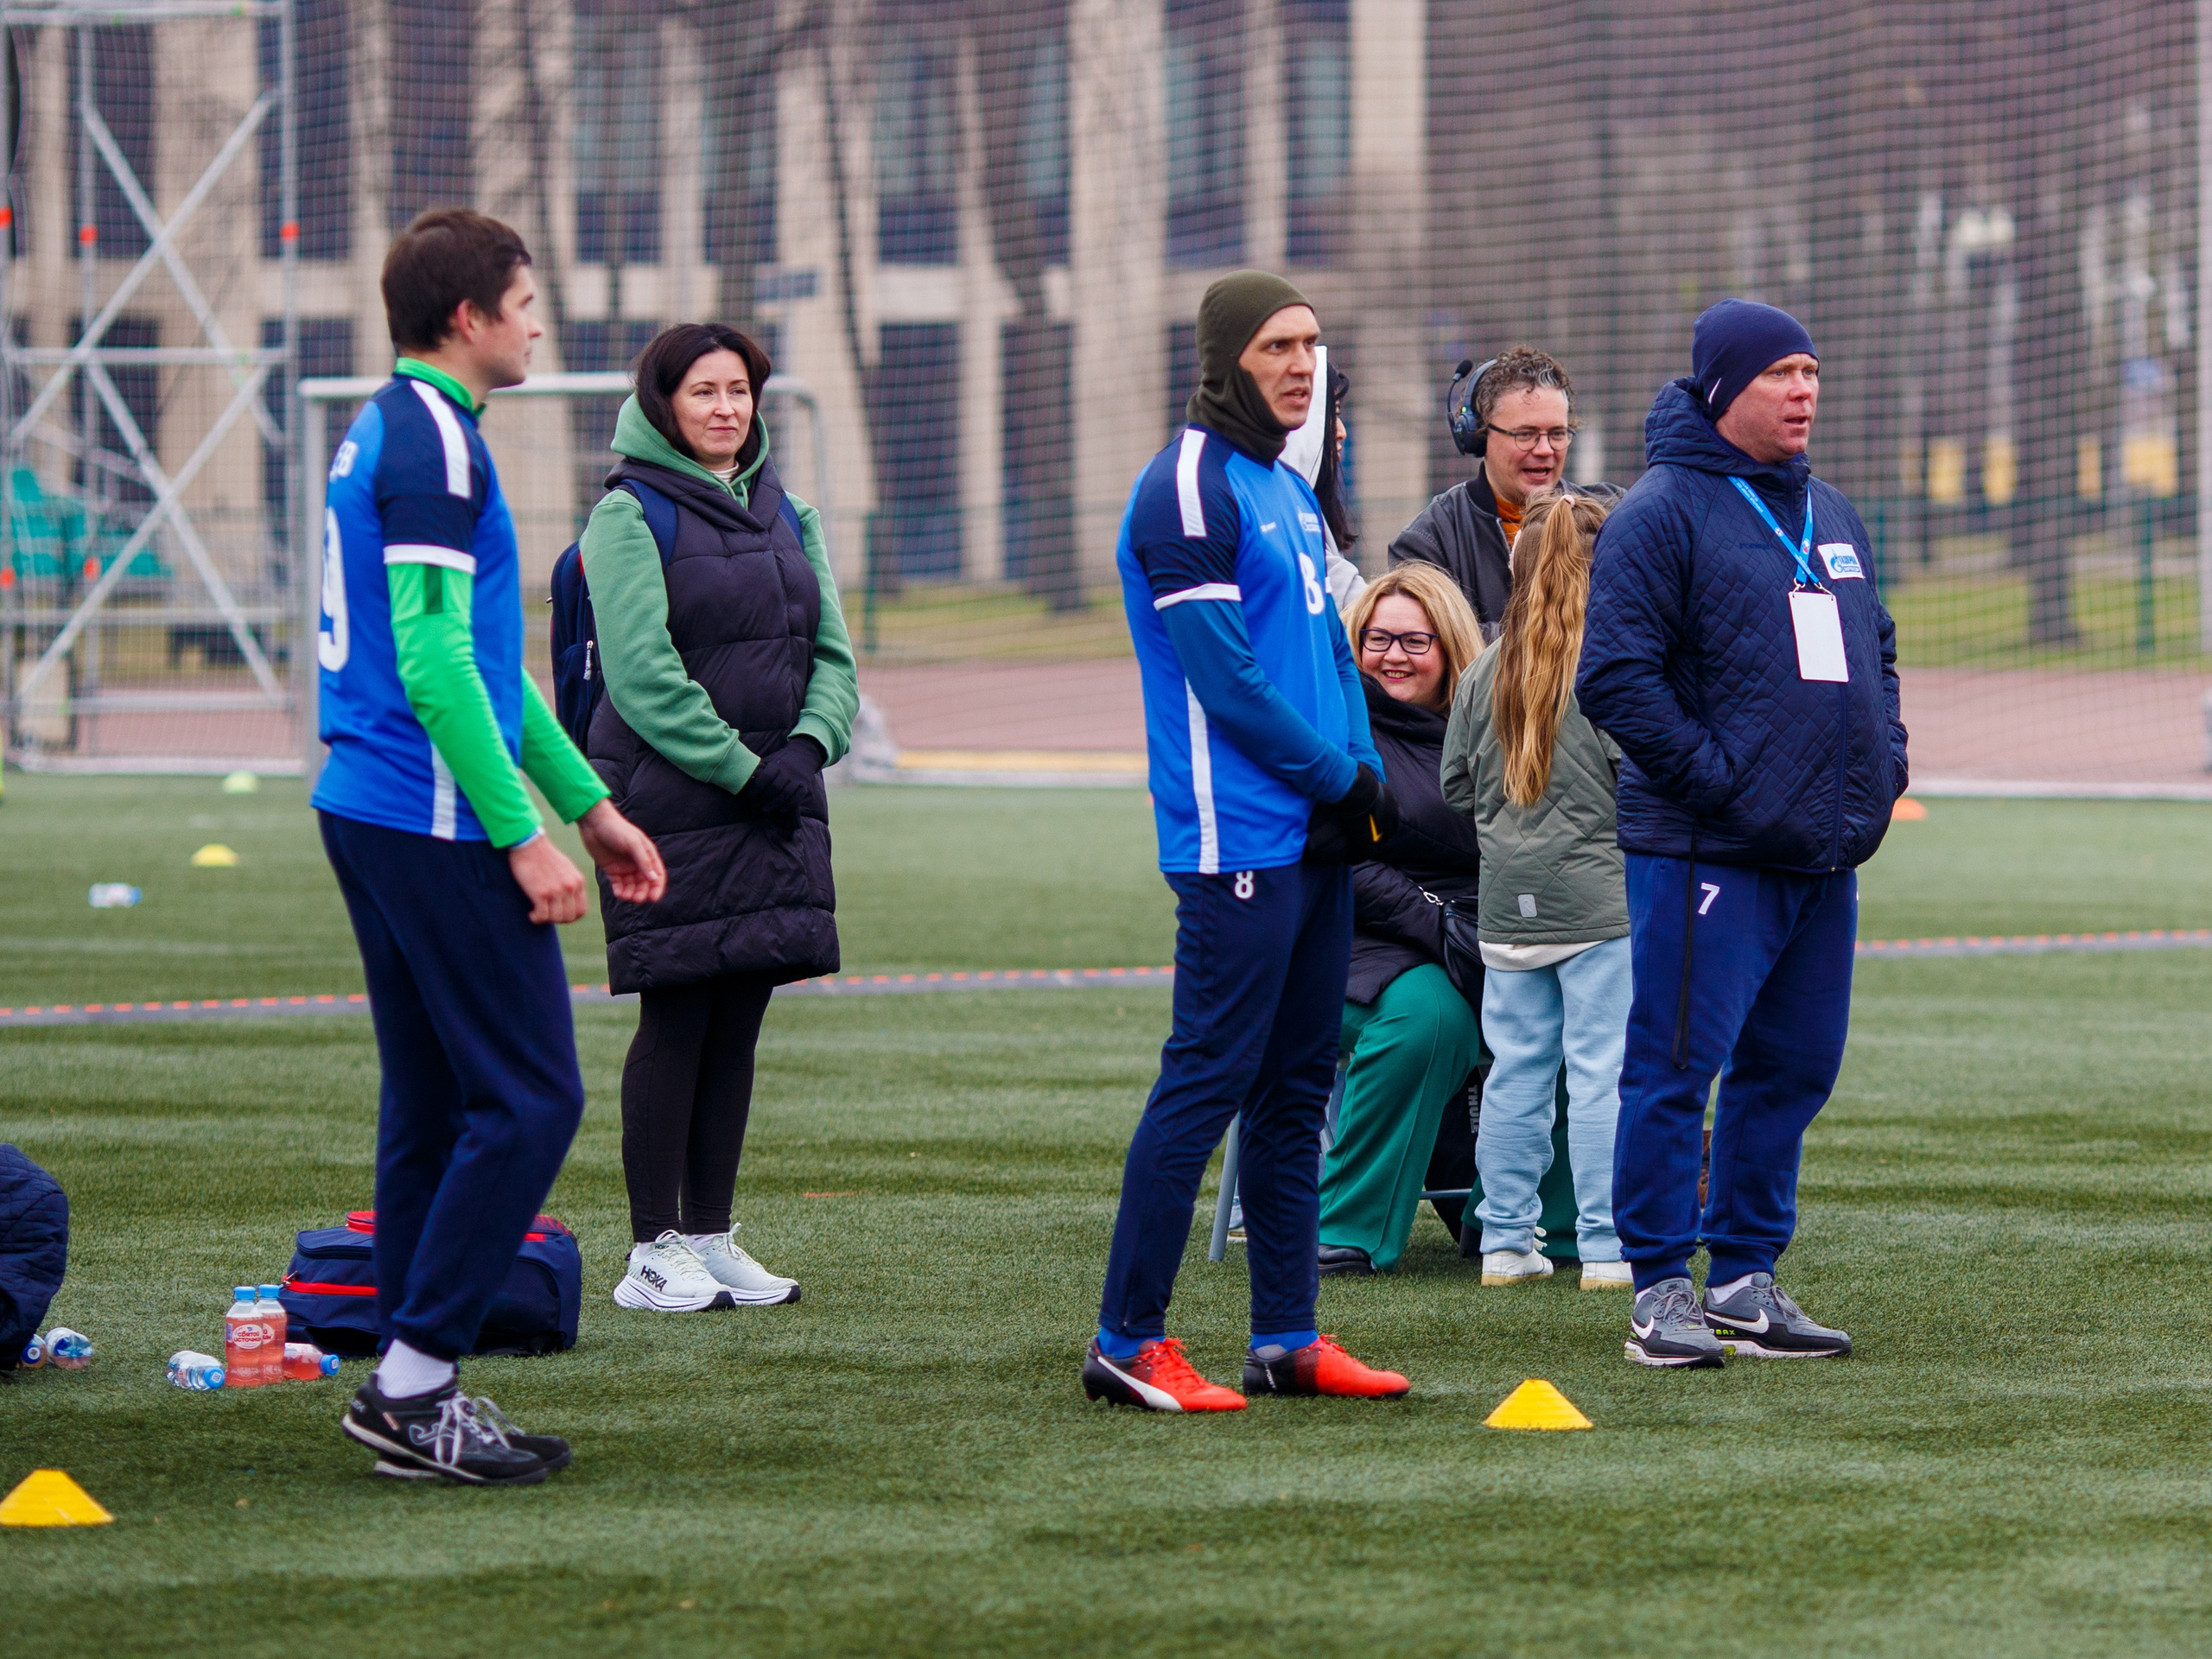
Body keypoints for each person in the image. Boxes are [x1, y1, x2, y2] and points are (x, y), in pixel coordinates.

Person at [316, 209, 666, 1483]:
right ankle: (414, 1388)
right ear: (466, 317)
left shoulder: (408, 429)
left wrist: (590, 803)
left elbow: (484, 666)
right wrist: (522, 834)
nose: (537, 321)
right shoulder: (435, 448)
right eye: (523, 300)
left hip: (372, 802)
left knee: (435, 1100)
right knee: (530, 1097)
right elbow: (430, 662)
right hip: (424, 811)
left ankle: (413, 1383)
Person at [1084, 270, 1413, 1413]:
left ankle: (1285, 1338)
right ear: (1225, 358)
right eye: (1278, 344)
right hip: (1239, 837)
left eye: (1313, 344)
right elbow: (1226, 677)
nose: (1300, 364)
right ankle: (1127, 1341)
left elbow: (1326, 650)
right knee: (1206, 1080)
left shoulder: (1285, 484)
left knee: (1294, 1088)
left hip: (1316, 836)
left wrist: (1361, 765)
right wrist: (1337, 777)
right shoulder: (1186, 487)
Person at [1577, 298, 1908, 1368]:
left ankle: (1747, 1281)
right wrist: (1720, 783)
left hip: (1820, 852)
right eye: (1781, 373)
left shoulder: (1834, 515)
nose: (1804, 390)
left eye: (1811, 370)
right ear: (1723, 391)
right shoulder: (1660, 512)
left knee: (1792, 1070)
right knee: (1676, 1067)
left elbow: (1879, 654)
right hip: (1705, 850)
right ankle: (1660, 1290)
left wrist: (1886, 758)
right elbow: (1615, 679)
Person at [582, 322, 857, 1313]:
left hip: (774, 798)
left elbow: (834, 655)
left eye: (738, 390)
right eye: (703, 391)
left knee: (739, 1014)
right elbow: (644, 677)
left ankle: (709, 1233)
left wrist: (807, 748)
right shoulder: (627, 514)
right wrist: (747, 770)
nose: (726, 409)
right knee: (680, 1011)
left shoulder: (792, 513)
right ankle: (652, 1249)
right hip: (675, 802)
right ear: (662, 403)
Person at [1441, 490, 1632, 1294]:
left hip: (1506, 909)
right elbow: (1643, 774)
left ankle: (1505, 1243)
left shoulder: (1484, 670)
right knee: (1600, 1073)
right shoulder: (1612, 665)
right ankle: (1605, 1246)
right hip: (1599, 908)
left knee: (1515, 1074)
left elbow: (1455, 784)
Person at [1313, 563, 1484, 1276]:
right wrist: (1438, 925)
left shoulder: (1492, 724)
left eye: (1415, 642)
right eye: (1377, 639)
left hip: (1478, 933)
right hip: (1349, 942)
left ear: (1450, 648)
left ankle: (1540, 1223)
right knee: (1430, 1017)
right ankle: (1346, 1229)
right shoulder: (1331, 729)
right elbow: (1339, 857)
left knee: (1574, 1007)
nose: (1392, 656)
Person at [1389, 346, 1583, 636]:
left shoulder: (1606, 516)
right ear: (1479, 436)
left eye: (1557, 434)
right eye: (1525, 434)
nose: (1545, 450)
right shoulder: (1428, 542)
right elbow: (1441, 644)